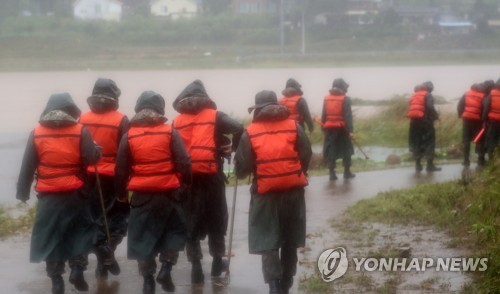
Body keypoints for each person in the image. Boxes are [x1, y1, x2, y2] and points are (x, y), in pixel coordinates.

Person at [16, 93, 101, 294]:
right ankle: (77, 270)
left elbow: (28, 166)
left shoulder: (36, 133)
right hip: (75, 193)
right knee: (79, 231)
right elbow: (90, 159)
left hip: (48, 194)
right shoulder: (81, 131)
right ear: (71, 110)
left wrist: (23, 192)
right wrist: (97, 151)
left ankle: (56, 280)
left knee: (50, 234)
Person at [234, 90, 311, 294]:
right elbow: (306, 155)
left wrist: (239, 164)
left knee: (268, 240)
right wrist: (294, 173)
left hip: (265, 193)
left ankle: (274, 286)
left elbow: (241, 171)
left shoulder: (250, 132)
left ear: (257, 109)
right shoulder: (294, 126)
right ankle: (286, 282)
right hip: (293, 192)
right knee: (290, 238)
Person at [115, 91, 191, 294]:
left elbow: (120, 168)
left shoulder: (128, 136)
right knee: (173, 233)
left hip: (142, 197)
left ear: (138, 109)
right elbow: (184, 161)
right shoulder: (170, 132)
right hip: (169, 194)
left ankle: (148, 280)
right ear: (160, 110)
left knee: (142, 237)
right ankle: (166, 269)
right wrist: (185, 184)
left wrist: (121, 193)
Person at [172, 80, 243, 284]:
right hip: (212, 176)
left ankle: (195, 267)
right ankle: (217, 261)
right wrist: (233, 149)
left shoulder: (176, 122)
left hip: (187, 179)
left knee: (190, 222)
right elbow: (239, 128)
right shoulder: (215, 116)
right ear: (205, 99)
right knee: (217, 218)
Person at [75, 78, 130, 280]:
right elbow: (126, 152)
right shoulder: (121, 119)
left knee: (92, 218)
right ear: (115, 96)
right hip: (111, 176)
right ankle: (106, 252)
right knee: (117, 219)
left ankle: (101, 261)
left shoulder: (82, 118)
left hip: (87, 176)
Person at [321, 78, 355, 180]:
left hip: (329, 129)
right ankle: (347, 172)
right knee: (346, 149)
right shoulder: (346, 99)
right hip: (342, 129)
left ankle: (332, 173)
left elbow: (324, 115)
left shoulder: (326, 98)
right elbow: (348, 116)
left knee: (331, 149)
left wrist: (323, 127)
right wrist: (350, 130)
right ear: (342, 87)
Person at [407, 81, 441, 172]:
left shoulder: (414, 95)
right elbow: (430, 106)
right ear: (428, 88)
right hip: (426, 122)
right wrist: (436, 116)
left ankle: (418, 165)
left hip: (414, 122)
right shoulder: (427, 95)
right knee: (429, 142)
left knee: (416, 142)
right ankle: (430, 166)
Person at [457, 82, 488, 167]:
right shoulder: (483, 95)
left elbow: (460, 105)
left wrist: (461, 115)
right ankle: (480, 160)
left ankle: (466, 160)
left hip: (466, 119)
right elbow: (484, 107)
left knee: (466, 140)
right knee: (480, 140)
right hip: (477, 120)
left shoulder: (467, 94)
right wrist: (483, 118)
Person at [482, 78, 500, 159]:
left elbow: (486, 107)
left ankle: (491, 158)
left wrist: (484, 119)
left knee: (491, 140)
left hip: (493, 121)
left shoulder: (492, 93)